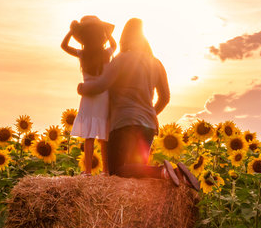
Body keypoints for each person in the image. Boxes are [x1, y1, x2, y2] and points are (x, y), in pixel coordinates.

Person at [77, 18, 199, 190]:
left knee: (117, 172)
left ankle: (162, 171)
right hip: (148, 126)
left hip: (123, 123)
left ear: (124, 39)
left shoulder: (121, 59)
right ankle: (177, 175)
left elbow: (101, 85)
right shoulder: (156, 63)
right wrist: (149, 112)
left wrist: (82, 88)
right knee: (137, 173)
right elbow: (165, 97)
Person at [62, 15, 116, 176]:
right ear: (101, 37)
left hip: (88, 95)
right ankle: (106, 170)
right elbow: (114, 44)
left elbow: (63, 46)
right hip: (103, 95)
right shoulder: (107, 52)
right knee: (103, 135)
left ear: (83, 38)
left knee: (89, 136)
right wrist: (108, 33)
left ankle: (87, 171)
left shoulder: (82, 54)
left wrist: (72, 31)